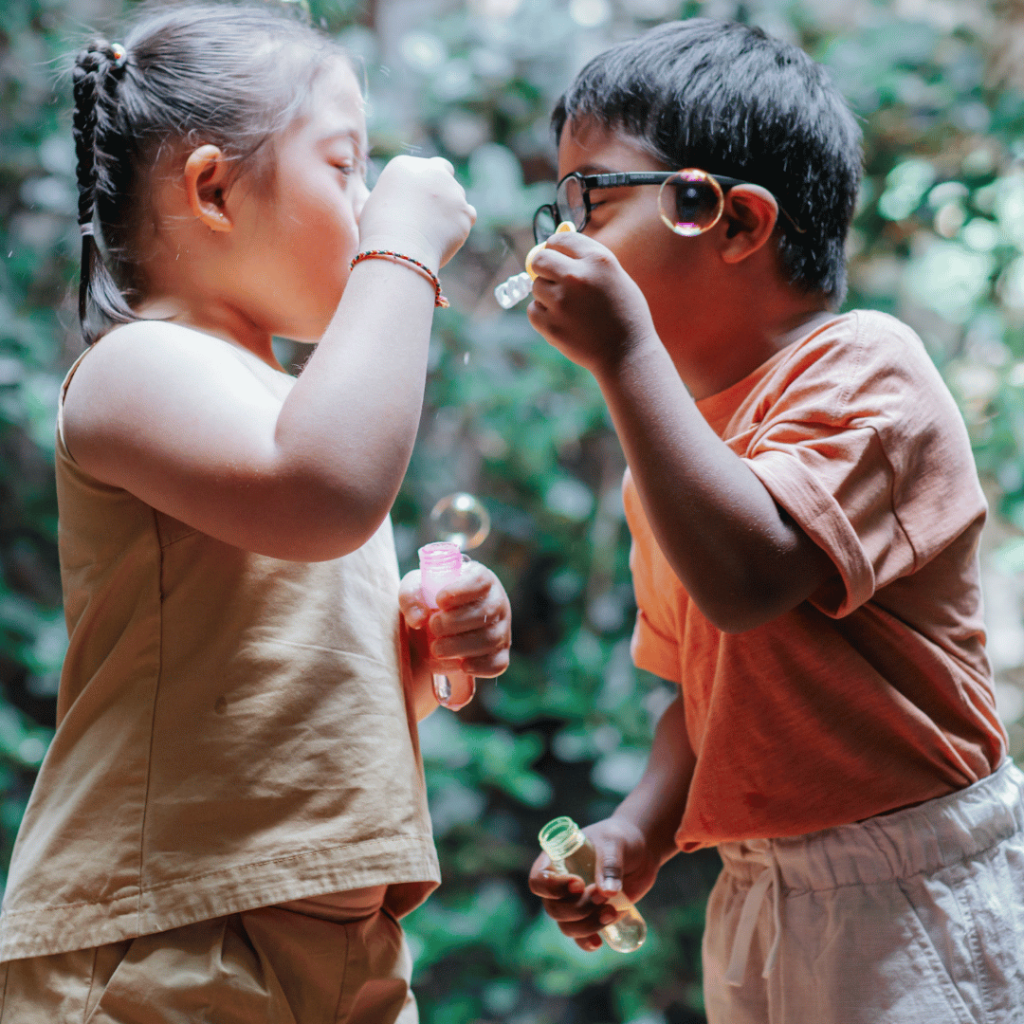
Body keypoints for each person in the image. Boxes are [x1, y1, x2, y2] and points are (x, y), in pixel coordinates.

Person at [0, 3, 512, 1021]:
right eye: (344, 168)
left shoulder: (293, 413)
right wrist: (403, 246)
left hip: (338, 936)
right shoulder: (136, 366)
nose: (369, 205)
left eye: (372, 181)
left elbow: (271, 682)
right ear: (213, 189)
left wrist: (414, 649)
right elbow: (321, 492)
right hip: (173, 931)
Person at [526, 18, 1024, 1024]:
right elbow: (705, 698)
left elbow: (749, 581)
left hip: (908, 884)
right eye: (558, 200)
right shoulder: (668, 463)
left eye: (592, 196)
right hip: (758, 894)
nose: (561, 237)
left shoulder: (866, 367)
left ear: (734, 221)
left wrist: (626, 357)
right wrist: (636, 832)